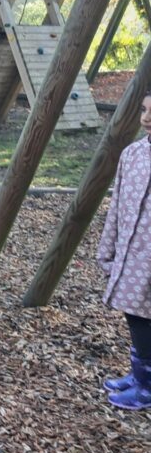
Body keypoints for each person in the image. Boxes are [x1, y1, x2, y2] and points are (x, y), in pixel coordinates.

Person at [97, 91, 151, 410]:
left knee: (145, 315)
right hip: (133, 250)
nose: (147, 118)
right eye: (144, 110)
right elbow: (117, 204)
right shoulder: (132, 154)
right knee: (134, 312)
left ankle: (147, 387)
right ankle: (140, 374)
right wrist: (108, 248)